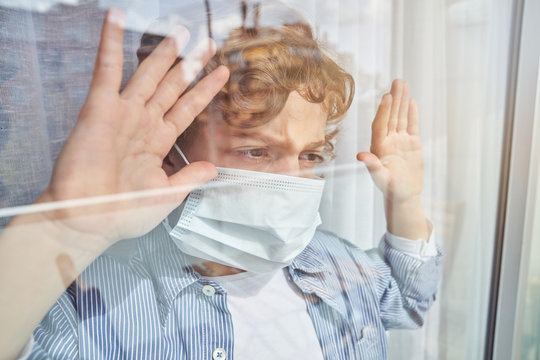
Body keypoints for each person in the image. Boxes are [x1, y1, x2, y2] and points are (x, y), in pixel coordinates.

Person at [0, 3, 443, 359]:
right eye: (256, 151)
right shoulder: (90, 307)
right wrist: (64, 228)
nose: (294, 181)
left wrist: (405, 201)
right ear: (172, 153)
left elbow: (407, 299)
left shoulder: (327, 260)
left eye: (310, 156)